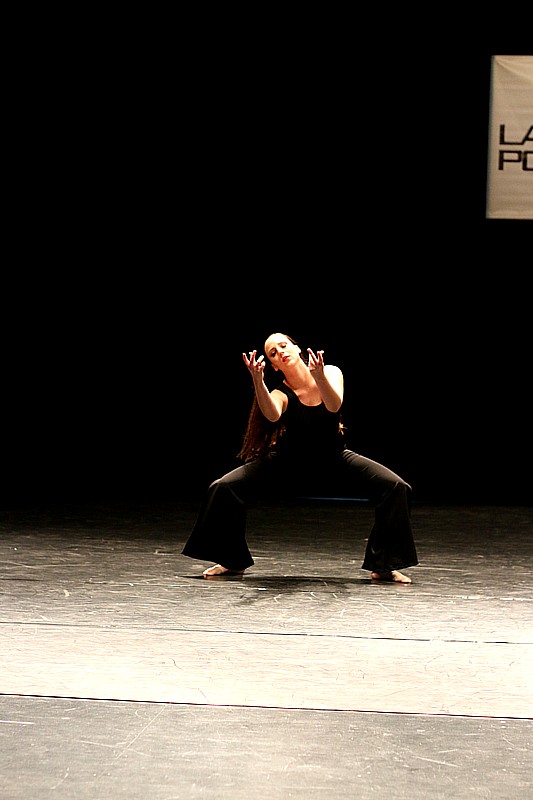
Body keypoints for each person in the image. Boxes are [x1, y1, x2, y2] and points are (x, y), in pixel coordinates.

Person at [182, 332, 418, 582]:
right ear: (274, 366)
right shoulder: (281, 393)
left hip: (333, 459)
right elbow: (272, 414)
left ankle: (383, 566)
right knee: (223, 487)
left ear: (297, 348)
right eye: (273, 353)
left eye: (284, 345)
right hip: (288, 462)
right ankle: (232, 561)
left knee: (396, 487)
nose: (280, 352)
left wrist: (319, 376)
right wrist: (258, 381)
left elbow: (333, 405)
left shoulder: (331, 372)